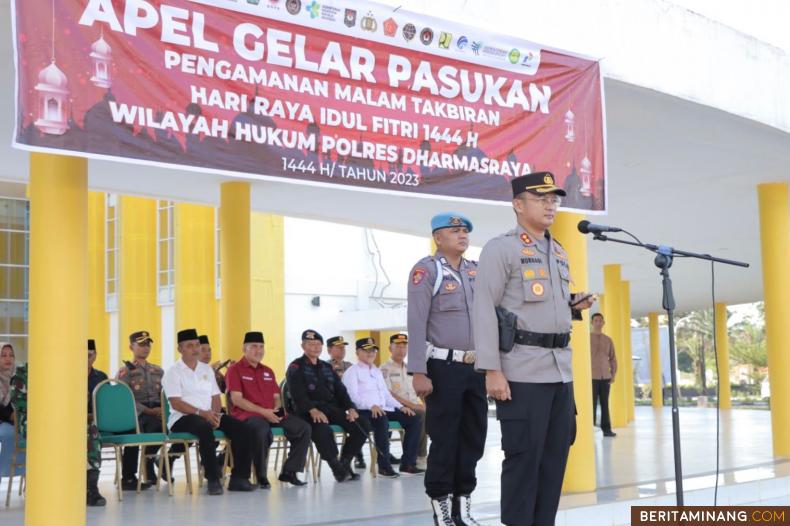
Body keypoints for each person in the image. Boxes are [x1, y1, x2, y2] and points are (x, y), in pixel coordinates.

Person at [473, 171, 595, 526]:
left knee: (554, 463)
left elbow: (537, 306)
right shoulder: (501, 248)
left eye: (554, 199)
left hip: (560, 372)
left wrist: (573, 305)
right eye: (542, 198)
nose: (550, 205)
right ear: (517, 204)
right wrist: (492, 370)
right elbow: (484, 309)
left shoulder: (557, 250)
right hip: (521, 373)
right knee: (523, 463)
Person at [407, 212, 487, 526]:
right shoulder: (426, 271)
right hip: (442, 368)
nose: (462, 235)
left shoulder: (475, 271)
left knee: (474, 437)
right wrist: (418, 371)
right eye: (455, 231)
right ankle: (442, 508)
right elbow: (416, 321)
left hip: (475, 368)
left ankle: (463, 506)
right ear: (438, 238)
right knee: (445, 439)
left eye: (465, 230)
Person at [162, 328, 254, 495]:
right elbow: (176, 403)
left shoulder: (206, 369)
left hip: (208, 415)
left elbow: (215, 397)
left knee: (243, 429)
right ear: (180, 349)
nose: (195, 349)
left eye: (197, 344)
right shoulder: (172, 372)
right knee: (204, 428)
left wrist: (215, 415)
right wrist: (204, 414)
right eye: (190, 345)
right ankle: (213, 479)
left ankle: (240, 478)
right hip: (182, 418)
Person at [226, 331, 311, 488]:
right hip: (248, 416)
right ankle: (261, 476)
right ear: (244, 349)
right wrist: (264, 412)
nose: (258, 350)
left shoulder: (267, 371)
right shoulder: (235, 370)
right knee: (261, 430)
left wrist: (277, 409)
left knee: (304, 428)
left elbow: (276, 396)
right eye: (254, 347)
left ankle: (289, 471)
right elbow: (237, 400)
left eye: (261, 347)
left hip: (271, 413)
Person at [285, 329, 367, 483]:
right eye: (311, 344)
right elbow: (297, 394)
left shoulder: (326, 367)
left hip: (330, 408)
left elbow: (341, 391)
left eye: (318, 344)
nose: (315, 347)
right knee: (322, 428)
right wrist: (312, 410)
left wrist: (350, 408)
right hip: (306, 411)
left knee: (361, 423)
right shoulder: (296, 367)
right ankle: (335, 466)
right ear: (303, 346)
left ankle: (345, 462)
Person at [342, 337, 423, 478]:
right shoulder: (352, 372)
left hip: (382, 408)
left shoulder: (376, 371)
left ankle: (408, 464)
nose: (370, 353)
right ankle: (384, 467)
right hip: (363, 410)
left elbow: (386, 395)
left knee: (413, 418)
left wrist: (400, 407)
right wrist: (370, 405)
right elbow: (351, 396)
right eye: (366, 350)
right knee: (381, 419)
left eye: (373, 350)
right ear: (358, 352)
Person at [116, 330, 165, 489]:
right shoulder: (125, 372)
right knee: (140, 431)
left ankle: (150, 459)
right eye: (142, 344)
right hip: (138, 413)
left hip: (158, 411)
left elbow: (166, 393)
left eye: (148, 344)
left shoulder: (158, 370)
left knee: (172, 425)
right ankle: (133, 475)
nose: (146, 348)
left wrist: (162, 409)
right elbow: (123, 398)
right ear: (131, 347)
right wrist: (148, 411)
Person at [381, 333, 428, 468]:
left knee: (435, 413)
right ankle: (420, 456)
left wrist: (424, 404)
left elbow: (418, 390)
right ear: (390, 348)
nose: (401, 350)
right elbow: (388, 394)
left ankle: (439, 455)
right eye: (398, 346)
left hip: (414, 405)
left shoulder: (411, 368)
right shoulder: (385, 369)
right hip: (395, 407)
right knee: (420, 415)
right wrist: (414, 406)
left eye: (404, 346)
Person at [590, 313, 617, 437]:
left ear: (603, 323)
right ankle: (590, 429)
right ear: (592, 323)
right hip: (591, 377)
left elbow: (612, 358)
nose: (598, 323)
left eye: (600, 320)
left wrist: (613, 374)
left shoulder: (608, 340)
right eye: (596, 320)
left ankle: (607, 430)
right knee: (592, 403)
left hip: (605, 376)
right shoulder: (587, 338)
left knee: (605, 404)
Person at [0, 344, 19, 478]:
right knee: (8, 433)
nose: (8, 359)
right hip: (4, 420)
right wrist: (10, 416)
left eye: (11, 355)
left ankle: (27, 473)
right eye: (3, 355)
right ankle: (3, 472)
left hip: (14, 420)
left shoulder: (17, 378)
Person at [87, 339, 108, 414]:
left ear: (95, 355)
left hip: (98, 421)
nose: (86, 359)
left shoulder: (102, 377)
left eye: (89, 355)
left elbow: (107, 403)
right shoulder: (69, 378)